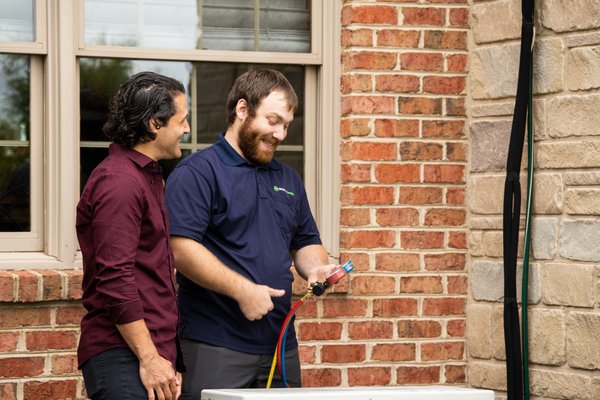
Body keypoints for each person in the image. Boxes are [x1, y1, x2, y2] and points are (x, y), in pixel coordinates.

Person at [165, 68, 336, 397]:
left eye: (286, 125)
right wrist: (243, 291)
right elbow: (180, 250)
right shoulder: (199, 172)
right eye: (273, 121)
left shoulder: (288, 179)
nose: (281, 134)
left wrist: (315, 268)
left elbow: (306, 241)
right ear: (242, 110)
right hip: (215, 343)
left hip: (280, 346)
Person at [76, 71, 190, 400]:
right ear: (155, 124)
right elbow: (115, 279)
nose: (187, 130)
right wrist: (150, 357)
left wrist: (164, 356)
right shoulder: (120, 182)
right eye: (181, 121)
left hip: (145, 352)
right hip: (123, 354)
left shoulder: (147, 176)